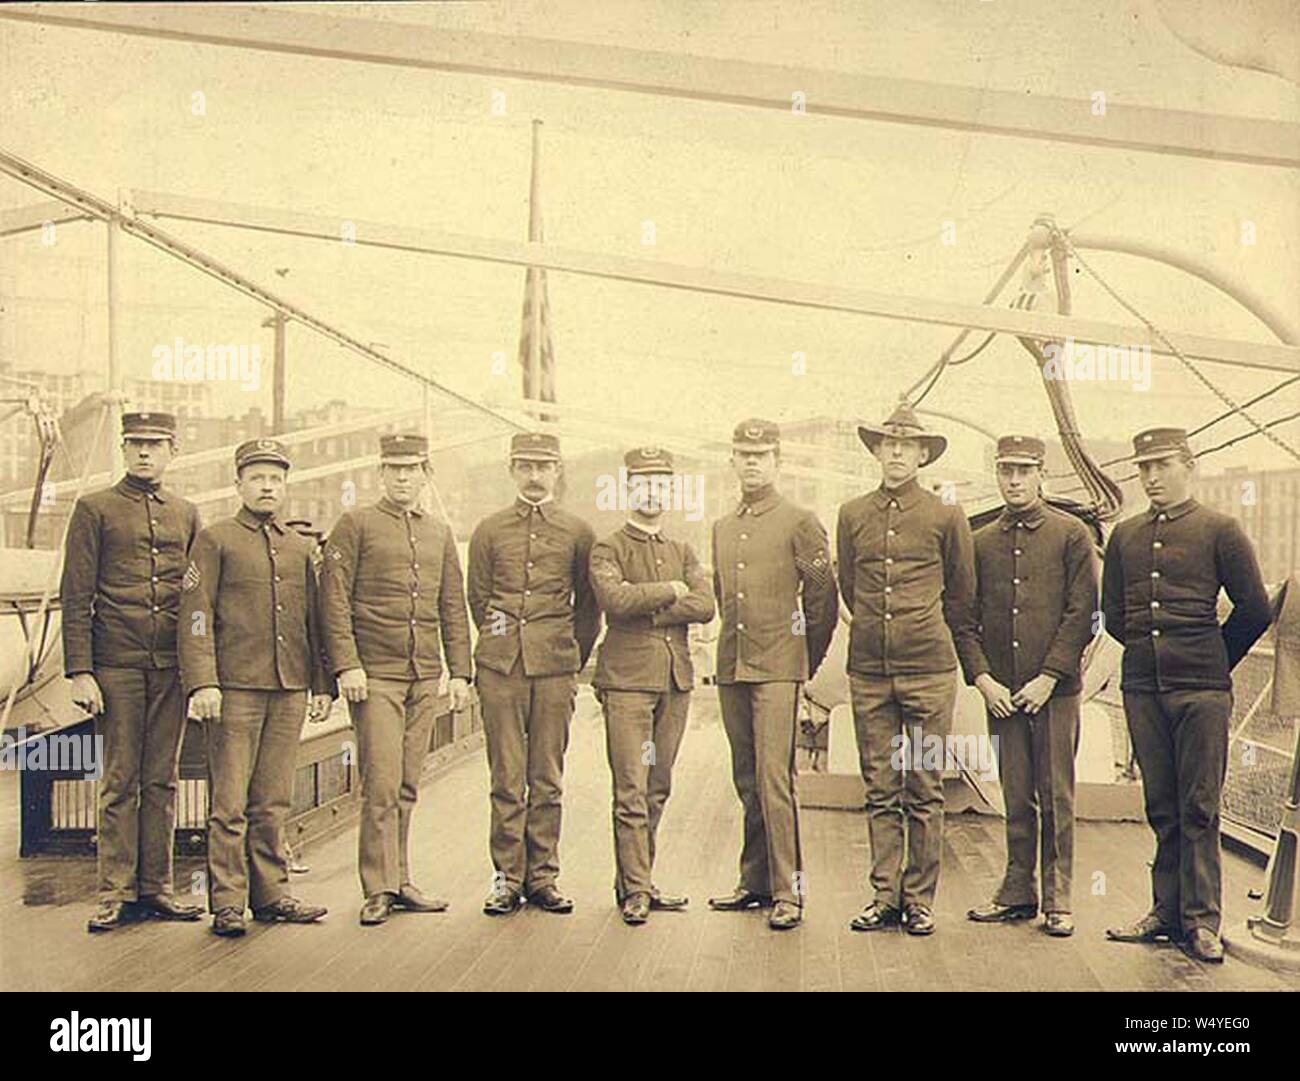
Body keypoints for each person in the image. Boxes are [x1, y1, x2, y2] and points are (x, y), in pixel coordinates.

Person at [1101, 426, 1270, 963]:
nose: (1152, 477)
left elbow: (1255, 609)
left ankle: (1200, 922)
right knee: (1162, 805)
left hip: (1201, 691)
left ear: (1188, 465)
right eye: (1144, 467)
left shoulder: (1221, 530)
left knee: (1198, 806)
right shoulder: (1124, 536)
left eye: (1162, 465)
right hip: (1144, 688)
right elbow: (1114, 617)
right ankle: (1164, 912)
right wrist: (1154, 657)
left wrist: (1213, 660)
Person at [178, 438, 334, 937]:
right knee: (229, 803)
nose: (268, 486)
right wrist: (203, 680)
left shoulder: (298, 545)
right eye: (258, 478)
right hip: (234, 690)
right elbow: (197, 616)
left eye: (276, 478)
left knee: (272, 800)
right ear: (239, 484)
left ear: (285, 486)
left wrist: (320, 683)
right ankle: (227, 902)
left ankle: (271, 894)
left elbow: (314, 618)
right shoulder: (216, 539)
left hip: (288, 688)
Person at [60, 411, 204, 932]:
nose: (145, 452)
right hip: (115, 665)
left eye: (155, 444)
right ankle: (115, 892)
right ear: (123, 449)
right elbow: (75, 595)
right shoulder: (93, 509)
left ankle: (157, 888)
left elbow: (197, 599)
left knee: (162, 779)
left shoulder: (187, 514)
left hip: (171, 667)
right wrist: (81, 670)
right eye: (136, 443)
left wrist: (200, 668)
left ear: (172, 451)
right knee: (120, 781)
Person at [321, 433, 472, 925]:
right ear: (380, 473)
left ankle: (402, 879)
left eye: (411, 469)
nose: (403, 477)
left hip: (423, 674)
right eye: (393, 468)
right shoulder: (355, 524)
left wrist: (460, 671)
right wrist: (347, 664)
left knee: (408, 782)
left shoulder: (438, 532)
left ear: (426, 473)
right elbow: (335, 600)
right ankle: (378, 886)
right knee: (382, 782)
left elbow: (452, 603)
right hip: (376, 676)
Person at [837, 399, 976, 937]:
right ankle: (884, 897)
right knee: (879, 787)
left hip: (928, 672)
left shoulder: (946, 515)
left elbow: (962, 596)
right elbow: (850, 585)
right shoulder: (852, 514)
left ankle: (919, 900)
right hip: (870, 671)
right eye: (887, 445)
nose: (896, 454)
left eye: (906, 446)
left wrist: (926, 635)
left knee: (923, 785)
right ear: (877, 451)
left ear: (922, 455)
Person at [957, 435, 1098, 938]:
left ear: (1041, 474)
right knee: (1015, 793)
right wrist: (983, 678)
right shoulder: (980, 542)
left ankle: (1058, 901)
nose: (1014, 480)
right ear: (997, 474)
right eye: (1005, 470)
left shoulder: (1071, 535)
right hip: (1003, 694)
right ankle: (1018, 891)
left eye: (1023, 470)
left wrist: (1049, 677)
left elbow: (1083, 613)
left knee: (1055, 795)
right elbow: (964, 619)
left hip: (1054, 693)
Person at [708, 418, 837, 931]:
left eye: (761, 455)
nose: (752, 463)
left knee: (774, 778)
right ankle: (755, 881)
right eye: (743, 454)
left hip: (779, 667)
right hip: (733, 666)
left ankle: (789, 891)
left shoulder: (799, 521)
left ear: (778, 461)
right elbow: (723, 596)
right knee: (746, 777)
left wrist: (804, 657)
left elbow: (822, 596)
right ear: (733, 460)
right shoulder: (721, 526)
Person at [466, 431, 600, 915]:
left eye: (544, 466)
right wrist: (504, 645)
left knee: (546, 777)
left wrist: (567, 657)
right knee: (506, 777)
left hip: (555, 669)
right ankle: (505, 880)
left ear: (558, 470)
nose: (535, 475)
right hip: (501, 669)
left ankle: (542, 877)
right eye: (525, 466)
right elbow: (479, 598)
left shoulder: (578, 532)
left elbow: (588, 609)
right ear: (512, 470)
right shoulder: (489, 530)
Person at [589, 446, 715, 925]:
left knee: (657, 786)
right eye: (642, 483)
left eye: (661, 483)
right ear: (627, 489)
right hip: (626, 683)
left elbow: (706, 605)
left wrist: (660, 603)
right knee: (630, 787)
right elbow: (615, 601)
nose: (652, 492)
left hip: (674, 680)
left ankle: (637, 880)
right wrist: (672, 591)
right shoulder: (608, 548)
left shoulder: (682, 549)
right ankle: (636, 888)